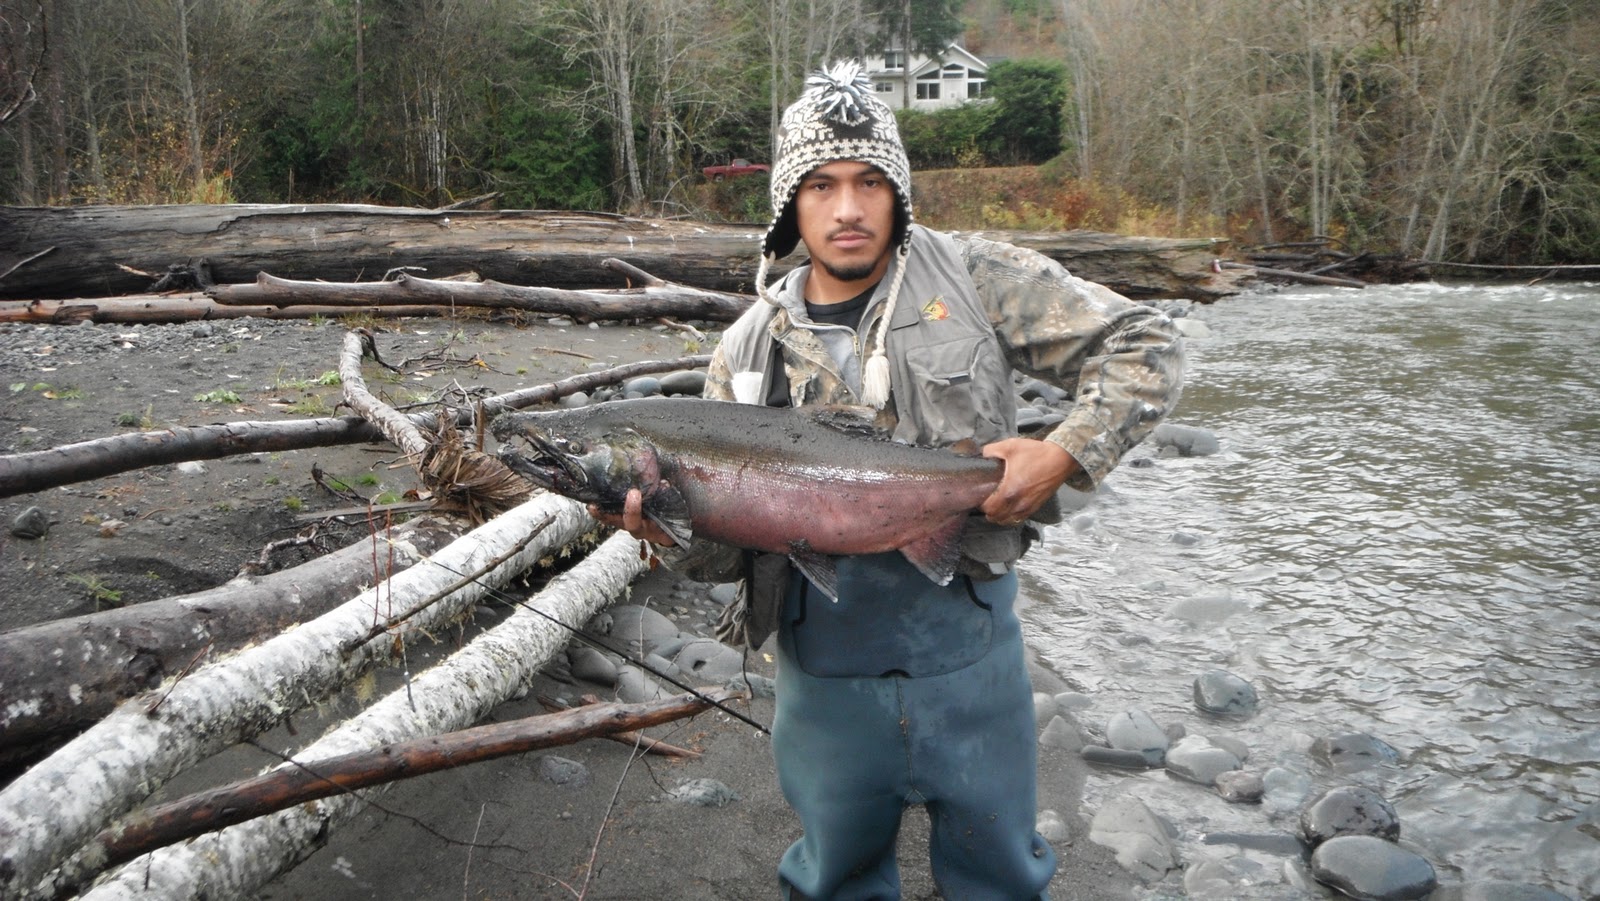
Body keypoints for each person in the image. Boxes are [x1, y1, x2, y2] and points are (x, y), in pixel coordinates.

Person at [594, 60, 1184, 901]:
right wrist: (671, 533)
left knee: (1002, 880)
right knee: (834, 882)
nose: (846, 208)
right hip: (823, 669)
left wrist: (1065, 451)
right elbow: (730, 557)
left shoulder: (977, 280)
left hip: (970, 654)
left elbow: (1148, 344)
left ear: (898, 191)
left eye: (870, 181)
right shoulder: (744, 352)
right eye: (822, 184)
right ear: (789, 203)